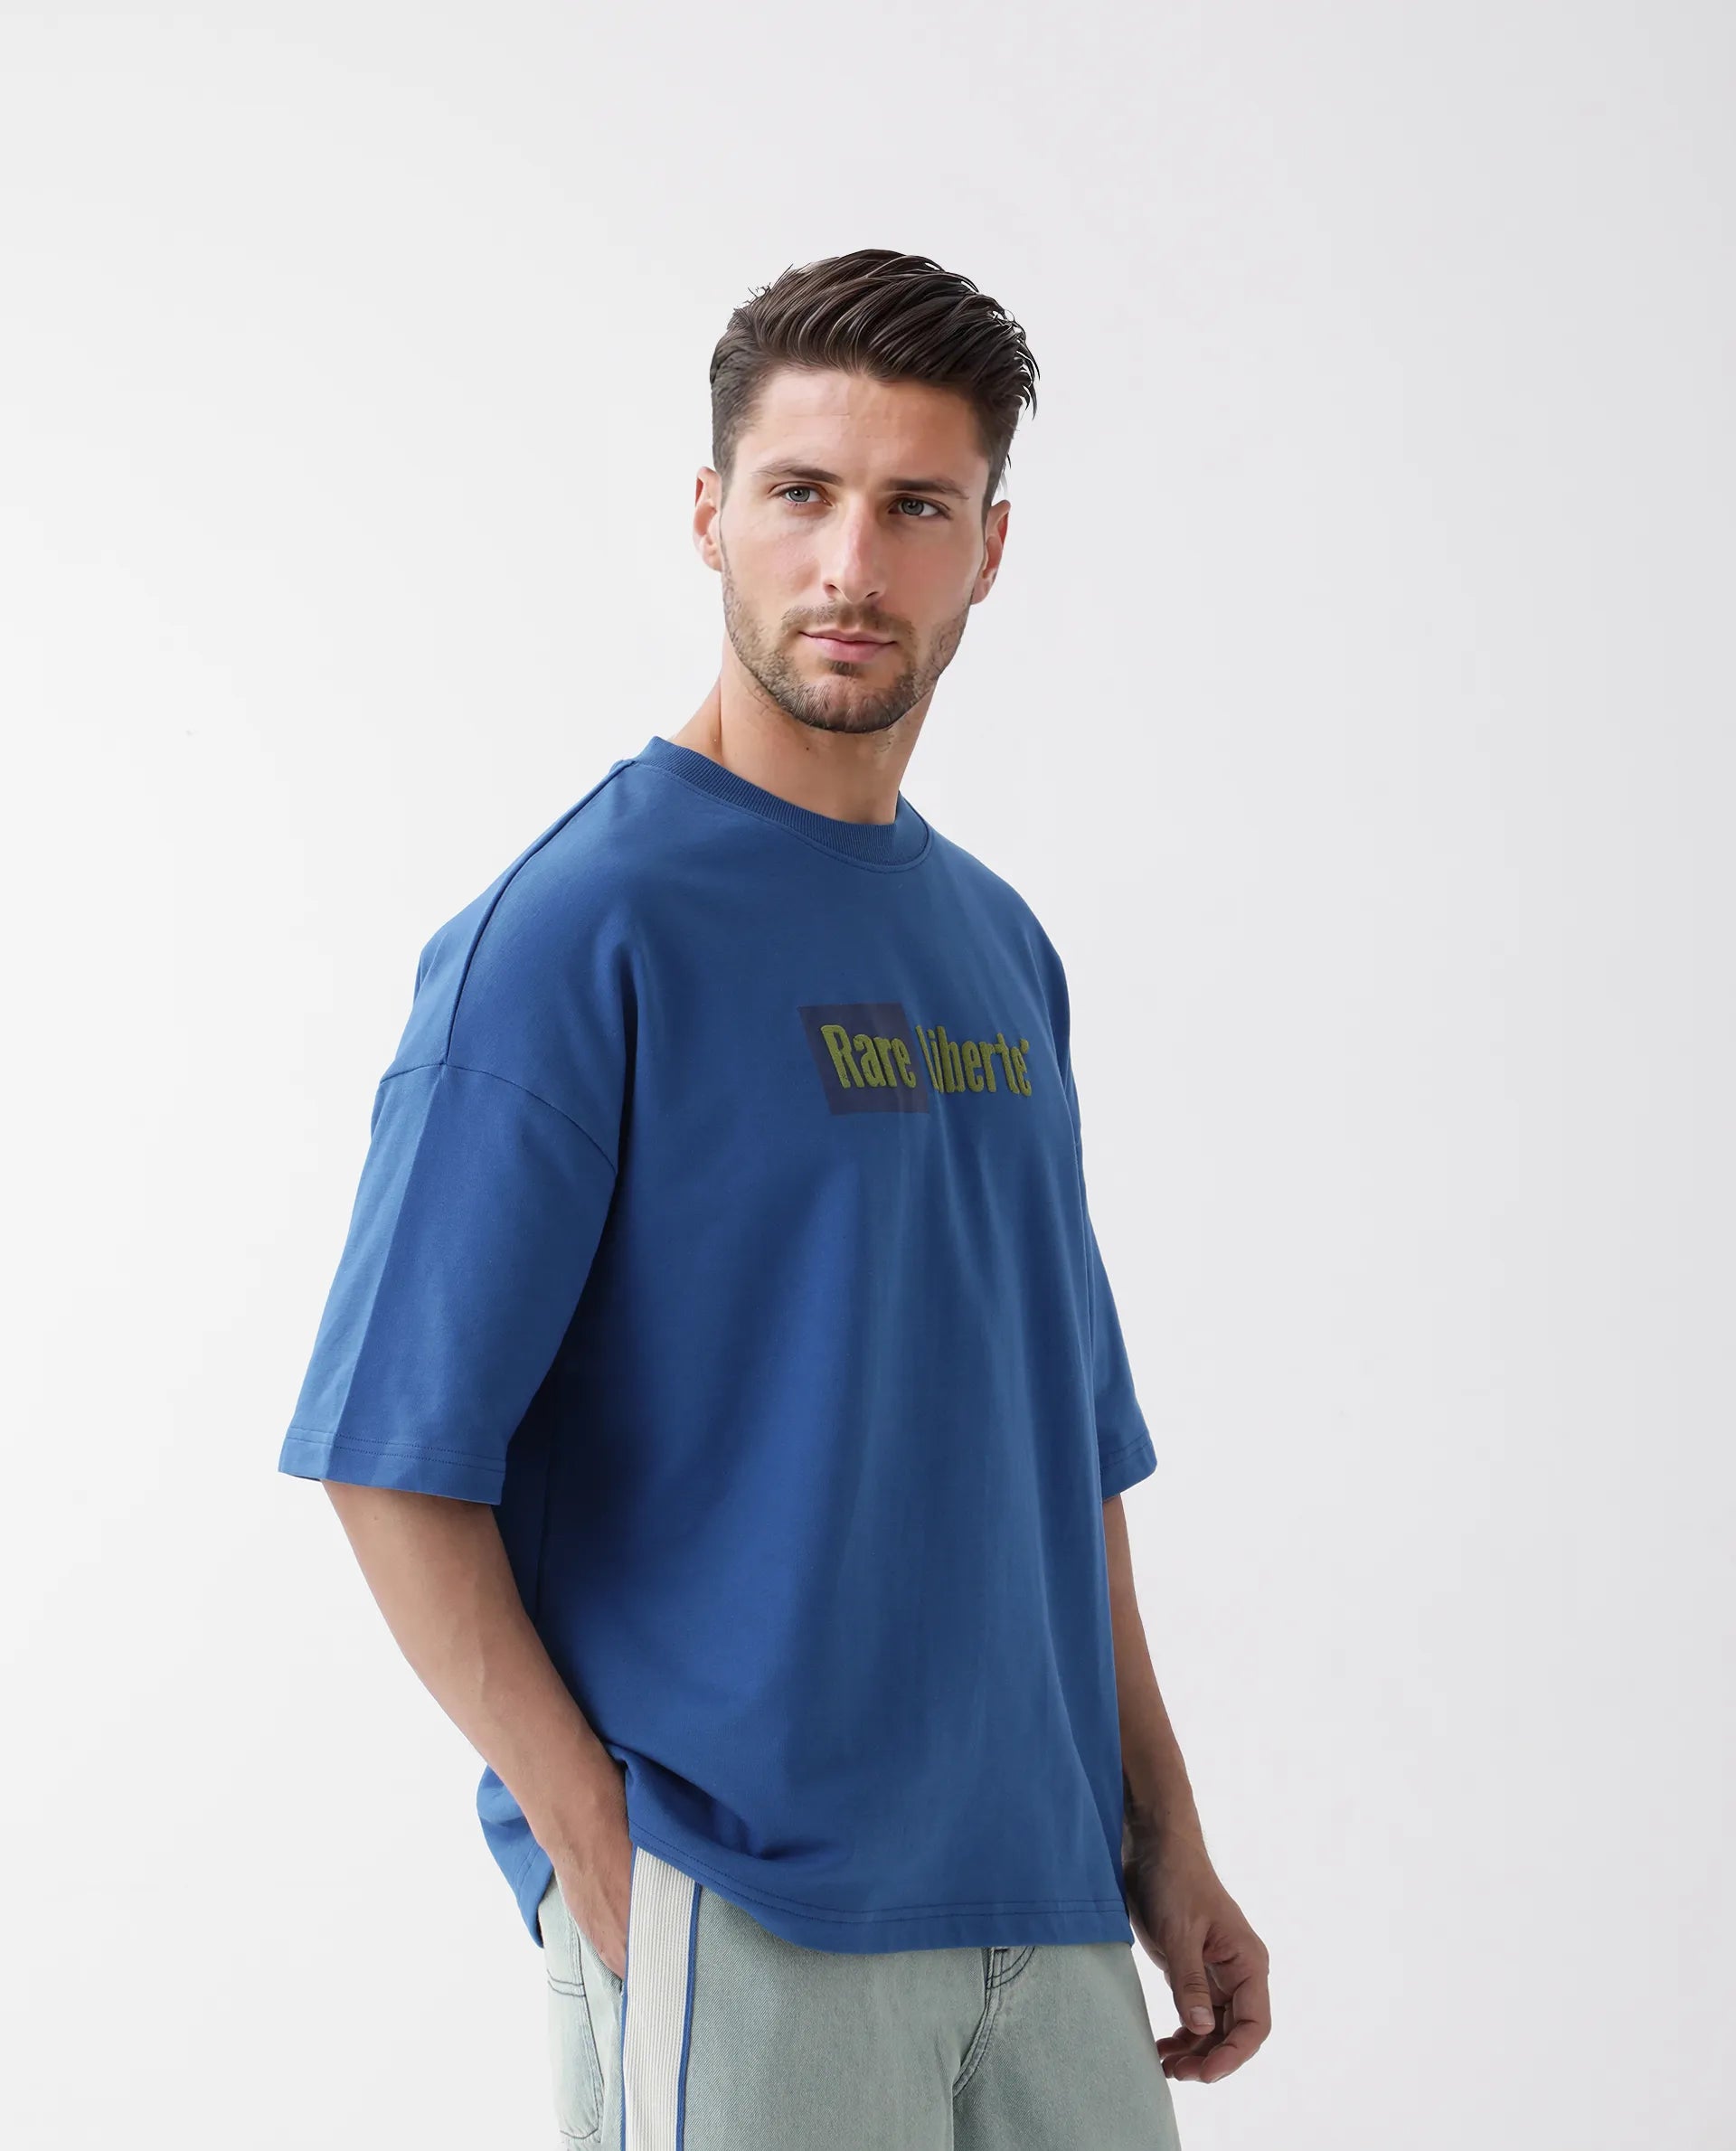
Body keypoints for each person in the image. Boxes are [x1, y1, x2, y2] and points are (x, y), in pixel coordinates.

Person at [278, 247, 1269, 2149]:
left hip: (1045, 1897)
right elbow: (391, 1458)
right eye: (803, 493)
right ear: (710, 513)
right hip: (746, 1909)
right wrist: (607, 1857)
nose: (851, 565)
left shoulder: (999, 946)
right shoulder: (576, 935)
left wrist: (1164, 1833)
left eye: (917, 507)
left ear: (990, 548)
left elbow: (1068, 1445)